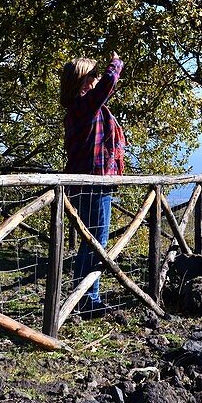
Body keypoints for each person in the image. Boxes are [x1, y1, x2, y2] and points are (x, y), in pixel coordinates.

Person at [59, 52, 126, 316]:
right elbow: (107, 85)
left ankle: (85, 297)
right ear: (83, 81)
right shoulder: (83, 105)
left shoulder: (82, 108)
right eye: (93, 75)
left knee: (92, 240)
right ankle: (88, 299)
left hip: (90, 181)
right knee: (96, 241)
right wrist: (116, 63)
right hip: (93, 182)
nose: (98, 79)